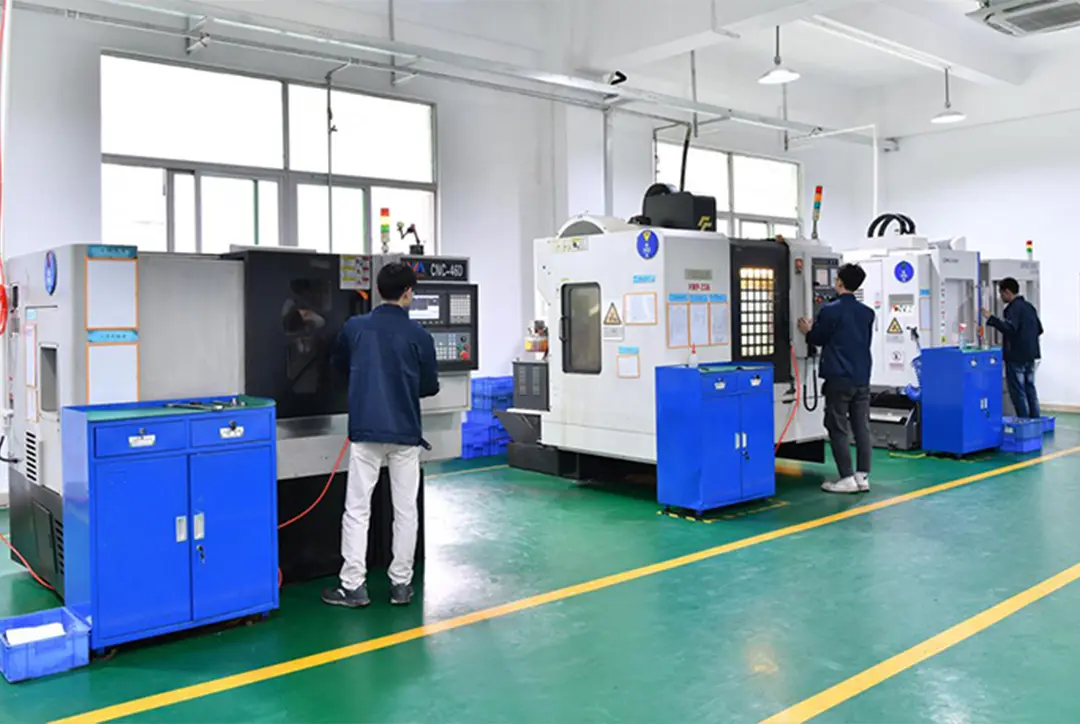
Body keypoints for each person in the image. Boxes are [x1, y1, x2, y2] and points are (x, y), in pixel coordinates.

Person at [322, 262, 440, 608]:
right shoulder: (419, 336)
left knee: (357, 509)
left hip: (365, 432)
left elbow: (338, 366)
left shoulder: (355, 328)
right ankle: (401, 584)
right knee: (405, 510)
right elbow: (429, 386)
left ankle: (353, 586)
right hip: (405, 433)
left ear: (378, 289)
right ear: (408, 293)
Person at [797, 263, 875, 495]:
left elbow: (819, 338)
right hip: (862, 376)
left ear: (839, 282)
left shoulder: (831, 310)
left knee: (837, 425)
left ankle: (846, 477)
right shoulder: (867, 313)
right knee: (861, 426)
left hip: (839, 377)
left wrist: (807, 330)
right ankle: (862, 476)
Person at [983, 277, 1043, 419]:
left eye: (1001, 293)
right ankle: (1035, 421)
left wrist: (991, 319)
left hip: (1016, 356)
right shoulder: (1029, 307)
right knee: (1030, 390)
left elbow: (1011, 328)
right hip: (1031, 354)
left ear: (1008, 292)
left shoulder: (1013, 308)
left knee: (1018, 392)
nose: (1000, 297)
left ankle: (1023, 421)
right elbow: (1039, 329)